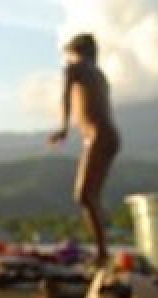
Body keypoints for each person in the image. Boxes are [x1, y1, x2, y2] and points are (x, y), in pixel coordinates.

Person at [48, 32, 121, 266]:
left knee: (84, 195)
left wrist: (63, 127)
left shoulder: (76, 67)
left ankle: (102, 253)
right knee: (91, 197)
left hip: (98, 136)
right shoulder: (99, 74)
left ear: (75, 51)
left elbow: (66, 96)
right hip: (109, 136)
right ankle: (102, 248)